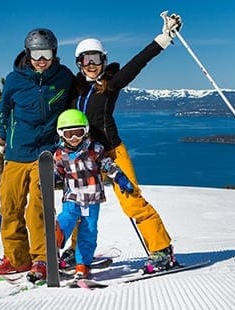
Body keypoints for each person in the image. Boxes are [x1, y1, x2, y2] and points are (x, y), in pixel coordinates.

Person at [61, 11, 183, 273]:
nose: (91, 64)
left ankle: (162, 250)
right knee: (81, 205)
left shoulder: (111, 83)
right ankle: (77, 251)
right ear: (79, 63)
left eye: (96, 59)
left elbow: (137, 63)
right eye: (86, 60)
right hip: (84, 157)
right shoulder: (75, 88)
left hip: (112, 152)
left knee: (131, 200)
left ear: (104, 61)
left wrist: (163, 39)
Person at [0, 28, 74, 282]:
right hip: (16, 152)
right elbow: (4, 110)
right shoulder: (15, 79)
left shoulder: (64, 77)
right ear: (28, 54)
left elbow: (74, 107)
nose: (41, 60)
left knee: (39, 205)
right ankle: (16, 259)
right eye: (36, 54)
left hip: (46, 153)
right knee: (10, 205)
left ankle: (43, 259)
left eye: (46, 54)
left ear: (54, 54)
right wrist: (2, 138)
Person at [51, 109, 134, 279]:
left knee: (88, 232)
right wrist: (50, 179)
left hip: (92, 198)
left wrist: (119, 177)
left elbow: (107, 164)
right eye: (69, 134)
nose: (74, 138)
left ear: (86, 131)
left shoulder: (95, 149)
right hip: (72, 197)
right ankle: (58, 234)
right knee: (67, 216)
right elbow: (57, 172)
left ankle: (83, 264)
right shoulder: (59, 155)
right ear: (61, 134)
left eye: (78, 133)